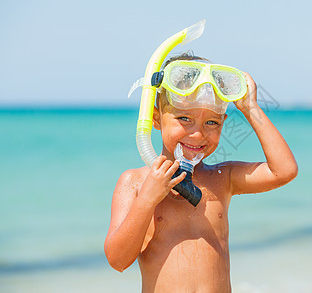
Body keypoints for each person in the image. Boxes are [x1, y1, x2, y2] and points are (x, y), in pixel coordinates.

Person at [104, 53, 298, 292]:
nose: (197, 134)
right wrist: (146, 200)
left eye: (211, 123)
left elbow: (284, 170)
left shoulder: (223, 178)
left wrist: (250, 108)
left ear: (223, 122)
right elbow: (117, 260)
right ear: (156, 118)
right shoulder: (134, 182)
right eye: (184, 118)